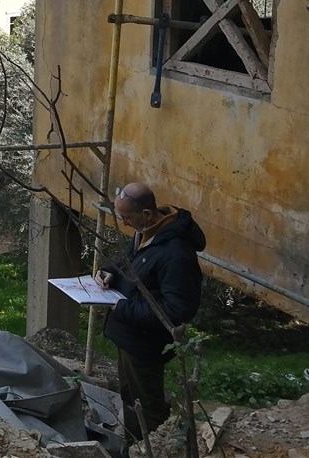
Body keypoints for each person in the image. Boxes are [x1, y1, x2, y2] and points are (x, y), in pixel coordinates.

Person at [95, 182, 205, 444]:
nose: (124, 223)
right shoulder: (148, 231)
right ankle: (133, 445)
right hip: (129, 336)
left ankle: (152, 447)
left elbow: (177, 310)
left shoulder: (176, 254)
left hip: (145, 344)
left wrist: (121, 307)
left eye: (127, 218)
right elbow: (131, 261)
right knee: (130, 396)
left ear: (146, 213)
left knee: (147, 403)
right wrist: (110, 270)